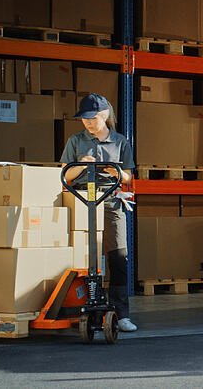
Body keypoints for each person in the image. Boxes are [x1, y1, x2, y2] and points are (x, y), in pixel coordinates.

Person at [60, 94, 138, 333]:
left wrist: (115, 172)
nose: (88, 123)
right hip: (82, 199)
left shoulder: (120, 142)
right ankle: (78, 308)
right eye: (84, 119)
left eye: (92, 118)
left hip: (110, 200)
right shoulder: (75, 141)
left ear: (104, 115)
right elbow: (64, 174)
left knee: (118, 257)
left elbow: (128, 176)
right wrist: (82, 164)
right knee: (83, 256)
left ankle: (121, 314)